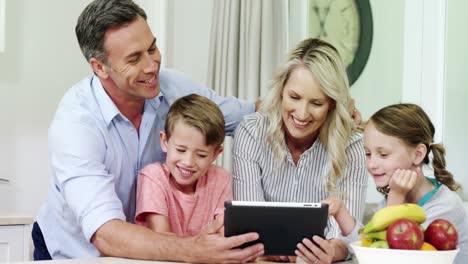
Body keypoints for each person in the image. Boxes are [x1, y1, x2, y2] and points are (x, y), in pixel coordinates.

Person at [32, 0, 264, 262]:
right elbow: (106, 233)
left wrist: (303, 102)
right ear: (99, 67)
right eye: (134, 58)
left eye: (152, 48)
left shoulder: (174, 87)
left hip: (147, 251)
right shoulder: (76, 125)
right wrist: (195, 249)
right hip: (77, 251)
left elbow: (249, 114)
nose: (152, 66)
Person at [232, 38, 368, 264]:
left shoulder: (352, 146)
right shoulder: (252, 132)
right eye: (294, 97)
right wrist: (272, 250)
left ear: (332, 104)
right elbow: (251, 229)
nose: (302, 114)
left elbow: (347, 236)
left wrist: (332, 251)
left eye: (316, 103)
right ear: (281, 91)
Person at [323, 103, 468, 264]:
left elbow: (387, 258)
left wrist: (396, 197)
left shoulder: (445, 207)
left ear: (418, 154)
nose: (371, 164)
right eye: (368, 153)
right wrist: (341, 212)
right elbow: (370, 244)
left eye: (383, 154)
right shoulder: (391, 198)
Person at [135, 94, 232, 236]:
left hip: (208, 258)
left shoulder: (222, 179)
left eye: (201, 155)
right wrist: (204, 241)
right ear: (165, 141)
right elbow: (162, 239)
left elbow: (225, 234)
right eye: (180, 150)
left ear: (216, 154)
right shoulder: (153, 177)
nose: (188, 162)